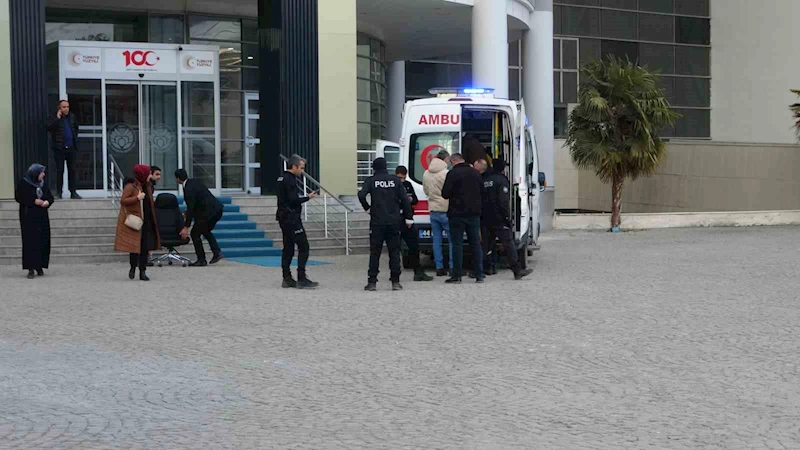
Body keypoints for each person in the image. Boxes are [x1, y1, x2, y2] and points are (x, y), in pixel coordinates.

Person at [358, 157, 414, 292]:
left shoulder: (371, 180)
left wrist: (367, 208)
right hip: (394, 221)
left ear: (374, 168)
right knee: (394, 252)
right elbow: (405, 200)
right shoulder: (395, 180)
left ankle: (372, 282)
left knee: (375, 252)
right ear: (386, 167)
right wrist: (408, 217)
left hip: (377, 222)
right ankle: (395, 282)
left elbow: (361, 195)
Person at [480, 159, 533, 280]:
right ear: (503, 168)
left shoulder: (485, 180)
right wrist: (507, 218)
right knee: (509, 244)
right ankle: (517, 270)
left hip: (485, 218)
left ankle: (480, 269)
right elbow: (503, 202)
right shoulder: (501, 180)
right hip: (499, 219)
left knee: (486, 245)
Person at [276, 155, 319, 289]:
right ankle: (301, 277)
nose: (302, 171)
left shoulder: (281, 178)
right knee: (304, 247)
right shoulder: (290, 180)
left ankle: (287, 277)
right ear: (294, 166)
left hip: (283, 217)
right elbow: (293, 200)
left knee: (288, 247)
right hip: (291, 218)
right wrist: (307, 197)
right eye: (301, 168)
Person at [441, 152, 484, 284]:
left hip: (457, 214)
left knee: (457, 244)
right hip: (474, 214)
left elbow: (445, 194)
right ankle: (479, 274)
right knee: (475, 244)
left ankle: (457, 275)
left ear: (454, 161)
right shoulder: (475, 173)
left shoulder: (452, 174)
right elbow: (483, 191)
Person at [114, 164, 160, 281]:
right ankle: (133, 267)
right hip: (136, 220)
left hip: (147, 220)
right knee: (134, 246)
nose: (149, 175)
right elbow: (123, 200)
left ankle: (142, 271)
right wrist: (137, 198)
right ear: (142, 174)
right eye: (147, 173)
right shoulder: (131, 186)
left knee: (145, 247)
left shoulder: (148, 186)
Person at [175, 169, 224, 266]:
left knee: (195, 234)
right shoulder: (194, 182)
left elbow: (191, 207)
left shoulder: (188, 188)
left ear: (177, 179)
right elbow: (199, 199)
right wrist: (188, 212)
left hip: (207, 212)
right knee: (205, 230)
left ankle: (201, 259)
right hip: (217, 209)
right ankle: (216, 252)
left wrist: (186, 226)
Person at [15, 164, 54, 279]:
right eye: (41, 172)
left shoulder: (42, 184)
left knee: (42, 240)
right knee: (30, 241)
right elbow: (19, 197)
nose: (44, 174)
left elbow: (50, 196)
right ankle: (30, 268)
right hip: (28, 216)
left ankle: (39, 266)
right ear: (35, 173)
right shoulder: (24, 183)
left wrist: (47, 202)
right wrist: (33, 201)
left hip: (42, 216)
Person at [395, 166, 433, 282]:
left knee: (414, 246)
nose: (402, 180)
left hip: (408, 219)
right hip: (396, 219)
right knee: (395, 248)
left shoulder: (408, 185)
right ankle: (395, 274)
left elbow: (415, 199)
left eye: (403, 177)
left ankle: (418, 272)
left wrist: (410, 199)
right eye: (399, 177)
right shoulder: (393, 185)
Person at [423, 150, 454, 277]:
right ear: (445, 159)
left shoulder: (426, 173)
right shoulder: (446, 173)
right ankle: (452, 267)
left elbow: (426, 191)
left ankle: (439, 267)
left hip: (433, 209)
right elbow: (451, 191)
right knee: (452, 240)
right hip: (446, 210)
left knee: (437, 240)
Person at [46, 100, 82, 200]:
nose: (66, 109)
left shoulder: (72, 117)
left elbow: (76, 128)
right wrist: (57, 118)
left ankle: (73, 192)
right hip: (59, 148)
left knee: (72, 170)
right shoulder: (54, 117)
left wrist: (73, 139)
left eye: (67, 107)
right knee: (60, 170)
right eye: (64, 107)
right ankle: (59, 192)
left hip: (71, 148)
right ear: (59, 108)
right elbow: (49, 127)